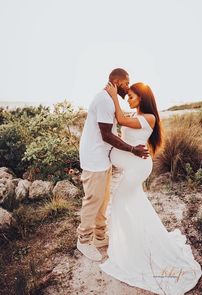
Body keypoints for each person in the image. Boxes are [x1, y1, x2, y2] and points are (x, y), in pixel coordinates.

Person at [99, 82, 202, 295]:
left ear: (143, 98)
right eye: (127, 96)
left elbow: (119, 119)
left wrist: (113, 95)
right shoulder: (136, 114)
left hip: (138, 167)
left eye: (132, 96)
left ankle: (130, 247)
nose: (128, 99)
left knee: (119, 201)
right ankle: (133, 240)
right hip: (133, 166)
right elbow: (120, 119)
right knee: (134, 203)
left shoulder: (149, 118)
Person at [77, 69, 149, 262]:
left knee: (103, 199)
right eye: (126, 83)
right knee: (93, 199)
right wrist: (132, 149)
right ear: (116, 81)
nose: (128, 87)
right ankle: (83, 240)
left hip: (102, 158)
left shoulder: (109, 100)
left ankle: (100, 237)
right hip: (94, 159)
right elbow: (106, 135)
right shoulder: (103, 100)